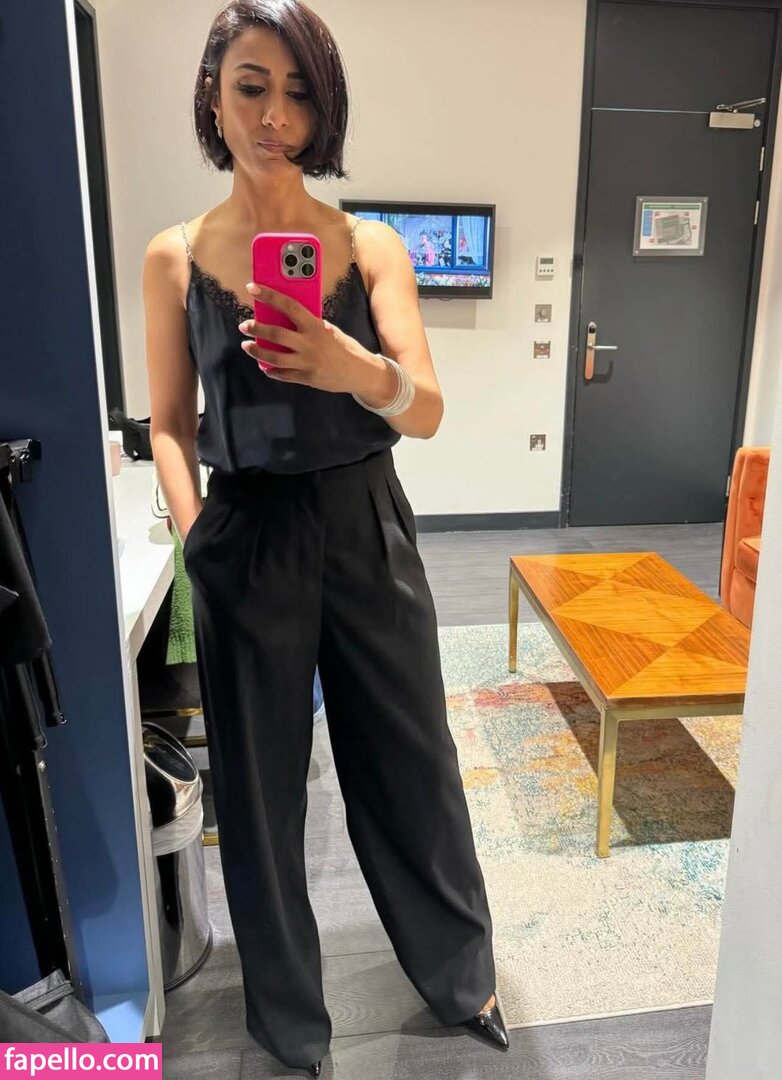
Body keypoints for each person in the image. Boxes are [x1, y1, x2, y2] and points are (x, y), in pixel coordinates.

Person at [142, 1, 508, 1074]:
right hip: (246, 532)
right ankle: (290, 1026)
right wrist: (200, 538)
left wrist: (350, 366)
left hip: (364, 520)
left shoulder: (368, 247)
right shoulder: (175, 258)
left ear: (324, 107)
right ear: (214, 97)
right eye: (252, 87)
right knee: (259, 794)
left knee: (411, 759)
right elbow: (168, 426)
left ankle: (461, 976)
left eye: (299, 93)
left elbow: (425, 410)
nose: (276, 116)